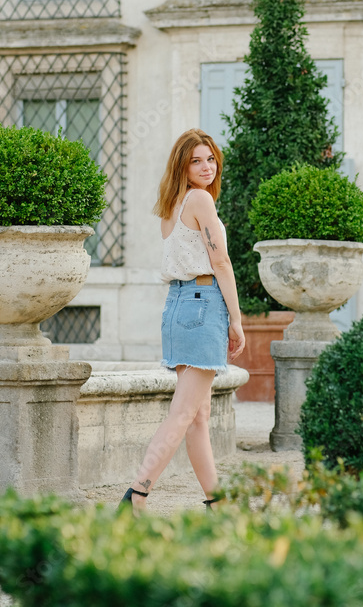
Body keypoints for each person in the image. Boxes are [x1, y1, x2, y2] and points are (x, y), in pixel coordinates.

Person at [120, 128, 246, 514]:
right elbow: (221, 262)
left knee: (197, 416)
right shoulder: (200, 200)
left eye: (210, 159)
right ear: (183, 165)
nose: (206, 167)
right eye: (197, 160)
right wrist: (236, 320)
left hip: (177, 306)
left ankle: (217, 502)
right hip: (203, 303)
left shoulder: (172, 204)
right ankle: (136, 496)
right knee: (184, 413)